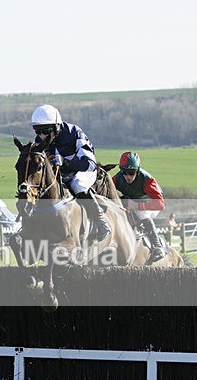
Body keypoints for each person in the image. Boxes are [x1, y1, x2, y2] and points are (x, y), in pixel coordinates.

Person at [30, 104, 110, 241]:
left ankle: (101, 223)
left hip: (84, 170)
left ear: (56, 127)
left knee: (77, 184)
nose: (41, 136)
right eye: (37, 131)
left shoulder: (74, 133)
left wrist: (67, 163)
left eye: (44, 131)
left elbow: (89, 164)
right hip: (62, 173)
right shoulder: (41, 140)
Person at [112, 151, 167, 262]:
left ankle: (157, 246)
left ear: (137, 170)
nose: (127, 176)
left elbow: (160, 204)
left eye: (131, 172)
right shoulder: (118, 178)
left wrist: (137, 205)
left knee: (141, 213)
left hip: (151, 203)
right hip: (133, 200)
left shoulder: (147, 180)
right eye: (124, 172)